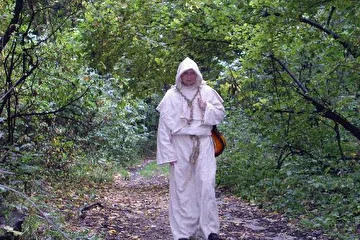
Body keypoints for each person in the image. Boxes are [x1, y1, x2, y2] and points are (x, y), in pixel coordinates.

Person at [156, 57, 225, 240]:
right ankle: (183, 233)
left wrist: (207, 107)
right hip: (180, 144)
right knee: (182, 189)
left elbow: (219, 115)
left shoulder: (208, 92)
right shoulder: (171, 96)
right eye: (185, 73)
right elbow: (164, 127)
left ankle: (209, 230)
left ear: (197, 74)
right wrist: (168, 153)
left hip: (203, 142)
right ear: (180, 75)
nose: (189, 76)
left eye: (192, 72)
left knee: (206, 185)